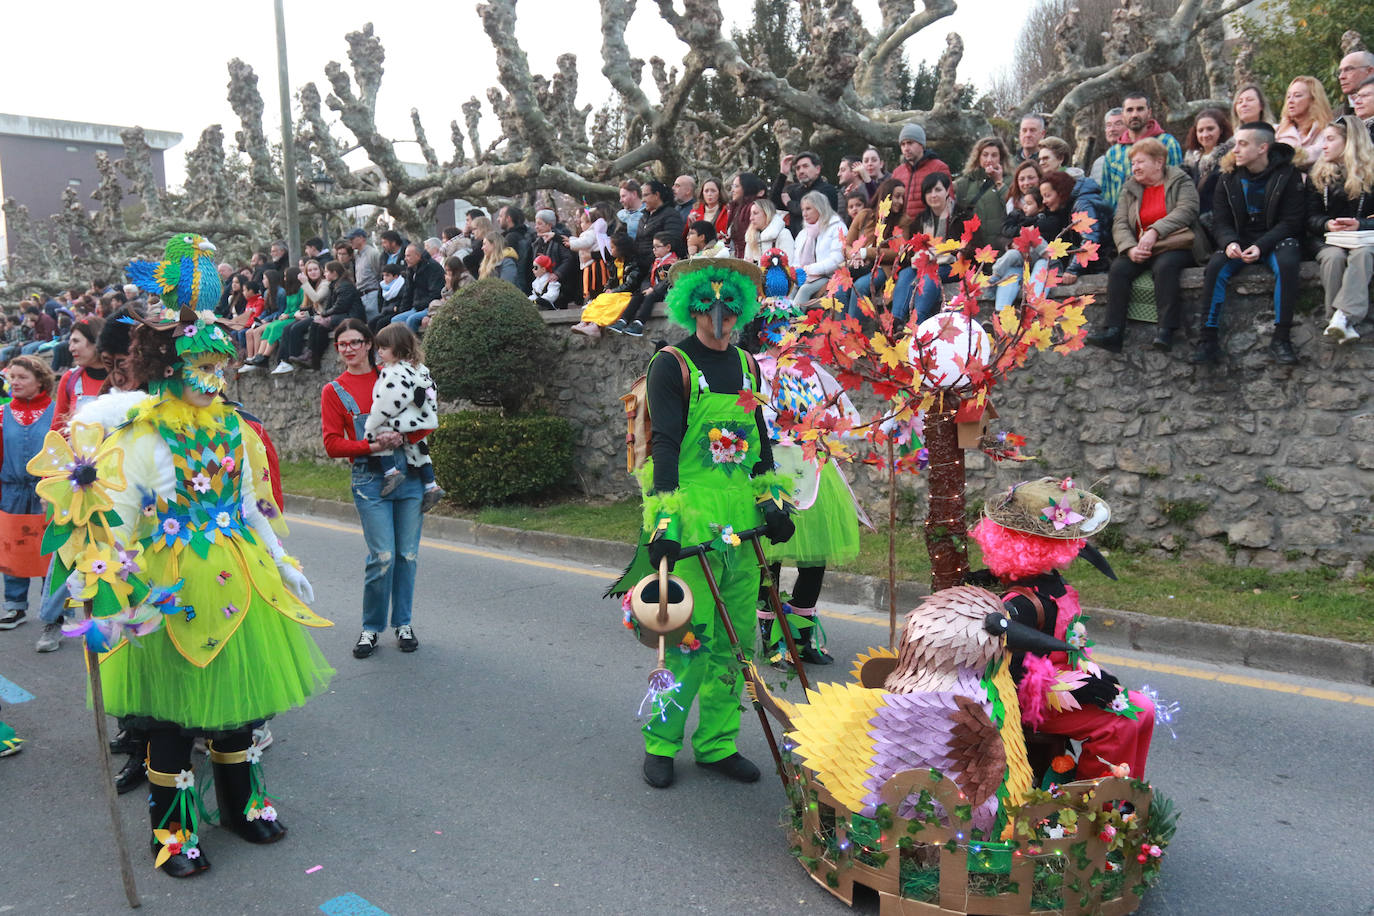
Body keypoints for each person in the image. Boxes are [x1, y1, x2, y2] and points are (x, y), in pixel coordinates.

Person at [66, 304, 330, 877]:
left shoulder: (236, 430)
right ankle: (174, 833)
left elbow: (250, 505)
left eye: (220, 366)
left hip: (238, 580)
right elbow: (117, 518)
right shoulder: (140, 437)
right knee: (170, 723)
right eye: (199, 368)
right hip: (168, 588)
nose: (213, 380)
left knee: (239, 710)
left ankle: (242, 807)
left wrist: (282, 560)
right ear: (166, 370)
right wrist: (102, 578)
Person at [610, 258, 793, 789]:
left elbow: (758, 442)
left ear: (743, 307)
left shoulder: (749, 366)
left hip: (740, 521)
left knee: (737, 644)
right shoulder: (672, 364)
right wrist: (664, 523)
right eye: (709, 306)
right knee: (688, 638)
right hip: (692, 518)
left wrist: (771, 500)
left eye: (730, 305)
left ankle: (717, 742)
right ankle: (662, 742)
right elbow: (665, 445)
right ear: (692, 308)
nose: (720, 316)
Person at [969, 478, 1154, 783]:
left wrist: (1091, 674)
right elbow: (1012, 678)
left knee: (1144, 709)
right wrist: (1081, 689)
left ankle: (1124, 796)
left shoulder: (1054, 584)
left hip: (1064, 682)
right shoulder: (1021, 604)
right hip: (1033, 700)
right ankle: (1090, 804)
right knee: (1118, 724)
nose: (1075, 543)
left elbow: (1070, 643)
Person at [751, 301, 867, 667]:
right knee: (770, 559)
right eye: (779, 327)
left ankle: (801, 635)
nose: (788, 335)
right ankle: (772, 639)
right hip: (772, 468)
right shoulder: (755, 370)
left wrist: (828, 425)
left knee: (814, 559)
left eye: (793, 327)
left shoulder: (813, 372)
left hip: (812, 467)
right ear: (761, 332)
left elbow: (846, 413)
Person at [321, 319, 427, 659]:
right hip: (369, 480)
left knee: (406, 555)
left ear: (370, 344)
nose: (349, 349)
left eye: (355, 342)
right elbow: (333, 444)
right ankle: (371, 628)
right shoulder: (334, 391)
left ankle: (404, 623)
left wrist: (405, 437)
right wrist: (372, 445)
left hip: (409, 474)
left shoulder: (394, 376)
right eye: (342, 344)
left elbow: (424, 419)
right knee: (382, 557)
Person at [1194, 122, 1306, 365]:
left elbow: (1292, 222)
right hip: (1240, 238)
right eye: (1235, 144)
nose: (1235, 150)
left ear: (1262, 148)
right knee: (1215, 266)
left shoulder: (1288, 175)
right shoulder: (1227, 177)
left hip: (1277, 238)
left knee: (1288, 263)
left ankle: (1281, 338)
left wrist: (1262, 246)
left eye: (1243, 144)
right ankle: (1208, 340)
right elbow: (1219, 220)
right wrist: (1229, 242)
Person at [1086, 137, 1207, 353]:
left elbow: (1187, 210)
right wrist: (1130, 248)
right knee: (1119, 269)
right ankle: (1113, 331)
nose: (1135, 167)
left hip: (1176, 243)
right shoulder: (1130, 188)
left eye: (1140, 162)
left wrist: (1154, 231)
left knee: (1165, 267)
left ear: (1159, 162)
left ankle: (1166, 331)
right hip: (1140, 246)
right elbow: (1120, 222)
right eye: (1133, 163)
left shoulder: (1181, 180)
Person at [0, 356, 56, 629]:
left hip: (47, 493)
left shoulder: (57, 412)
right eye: (12, 377)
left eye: (22, 377)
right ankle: (15, 607)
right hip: (11, 492)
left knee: (49, 552)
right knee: (13, 550)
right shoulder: (1, 414)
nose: (15, 382)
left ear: (40, 379)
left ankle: (52, 612)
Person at [1308, 115, 1374, 342]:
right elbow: (1309, 216)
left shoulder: (1371, 173)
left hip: (1363, 239)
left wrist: (1360, 224)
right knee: (1334, 257)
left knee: (1364, 254)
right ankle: (1342, 319)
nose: (1323, 145)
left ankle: (1340, 318)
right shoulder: (1318, 174)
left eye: (1330, 139)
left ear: (1349, 142)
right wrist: (1327, 224)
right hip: (1327, 239)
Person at [366, 325, 444, 512]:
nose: (380, 352)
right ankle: (431, 485)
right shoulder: (419, 368)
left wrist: (371, 425)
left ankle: (391, 472)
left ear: (398, 349)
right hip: (420, 420)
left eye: (384, 348)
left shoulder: (395, 372)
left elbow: (387, 403)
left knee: (380, 433)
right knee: (420, 450)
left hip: (403, 421)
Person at [990, 171, 1078, 310]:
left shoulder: (1052, 214)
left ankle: (1033, 306)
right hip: (1023, 259)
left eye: (1031, 177)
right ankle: (1001, 312)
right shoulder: (1016, 214)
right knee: (1011, 270)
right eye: (1022, 179)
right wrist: (1012, 242)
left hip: (1046, 259)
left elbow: (1048, 234)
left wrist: (1030, 234)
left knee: (1043, 265)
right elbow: (1000, 235)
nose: (1026, 182)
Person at [1036, 136, 1110, 276]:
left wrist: (1073, 270)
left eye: (1046, 158)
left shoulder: (1082, 204)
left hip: (1098, 267)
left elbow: (1090, 240)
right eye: (1039, 159)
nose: (1041, 163)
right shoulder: (1072, 200)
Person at [1100, 91, 1184, 209]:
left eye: (1140, 109)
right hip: (1121, 222)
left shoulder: (1167, 143)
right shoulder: (1113, 153)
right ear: (1123, 115)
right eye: (1129, 110)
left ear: (1149, 112)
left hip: (1160, 220)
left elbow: (1178, 188)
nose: (1134, 114)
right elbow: (1107, 195)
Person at [845, 178, 912, 319]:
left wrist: (864, 253)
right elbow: (846, 245)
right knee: (839, 288)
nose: (900, 201)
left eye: (902, 197)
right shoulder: (865, 215)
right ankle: (840, 333)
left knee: (861, 286)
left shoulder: (903, 221)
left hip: (884, 268)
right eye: (897, 196)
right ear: (886, 196)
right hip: (859, 265)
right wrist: (854, 256)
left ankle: (852, 334)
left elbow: (898, 252)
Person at [571, 232, 642, 338]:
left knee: (610, 304)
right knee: (599, 300)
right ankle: (586, 322)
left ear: (621, 249)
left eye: (612, 247)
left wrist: (614, 291)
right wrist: (608, 288)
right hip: (616, 293)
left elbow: (630, 284)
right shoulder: (615, 262)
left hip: (627, 294)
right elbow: (612, 279)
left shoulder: (634, 264)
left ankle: (596, 326)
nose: (610, 249)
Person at [608, 232, 679, 336]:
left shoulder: (672, 263)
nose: (654, 250)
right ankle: (623, 320)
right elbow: (647, 277)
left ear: (668, 247)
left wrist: (653, 289)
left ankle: (639, 323)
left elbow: (668, 281)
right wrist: (647, 287)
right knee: (637, 295)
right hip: (653, 290)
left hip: (665, 292)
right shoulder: (657, 261)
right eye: (653, 247)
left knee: (650, 297)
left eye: (657, 247)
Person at [50, 317, 106, 436]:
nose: (71, 348)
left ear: (96, 341)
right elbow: (57, 430)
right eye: (70, 343)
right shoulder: (70, 379)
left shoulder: (124, 379)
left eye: (76, 341)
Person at [953, 137, 1011, 253]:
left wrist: (999, 181)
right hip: (974, 247)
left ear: (1001, 158)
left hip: (1000, 247)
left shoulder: (1009, 180)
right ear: (978, 157)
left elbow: (1012, 207)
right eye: (985, 155)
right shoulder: (966, 182)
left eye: (994, 155)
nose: (989, 159)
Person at [240, 267, 303, 373]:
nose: (284, 278)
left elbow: (299, 308)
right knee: (268, 327)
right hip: (285, 317)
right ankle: (259, 356)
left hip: (294, 317)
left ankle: (265, 356)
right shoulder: (285, 291)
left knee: (273, 327)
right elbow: (283, 308)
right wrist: (263, 318)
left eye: (264, 278)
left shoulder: (285, 292)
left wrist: (286, 315)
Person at [791, 190, 847, 304]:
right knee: (789, 289)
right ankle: (779, 319)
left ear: (820, 208)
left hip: (830, 276)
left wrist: (810, 269)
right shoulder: (803, 233)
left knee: (804, 290)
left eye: (808, 209)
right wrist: (796, 271)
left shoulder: (837, 227)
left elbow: (837, 260)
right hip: (806, 275)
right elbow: (795, 260)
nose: (804, 214)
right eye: (802, 210)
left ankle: (795, 319)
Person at [1183, 108, 1235, 224]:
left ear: (1221, 129)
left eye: (1210, 129)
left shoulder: (1231, 157)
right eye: (1200, 130)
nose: (1205, 134)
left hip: (1222, 222)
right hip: (1196, 222)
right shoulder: (1190, 161)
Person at [891, 123, 951, 221]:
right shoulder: (897, 172)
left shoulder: (939, 167)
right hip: (902, 230)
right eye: (903, 144)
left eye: (910, 143)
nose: (906, 148)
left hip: (927, 229)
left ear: (921, 145)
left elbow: (948, 202)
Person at [771, 151, 839, 231]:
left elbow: (815, 210)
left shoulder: (827, 190)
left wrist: (789, 203)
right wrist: (783, 174)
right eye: (798, 168)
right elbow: (773, 203)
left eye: (805, 166)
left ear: (817, 169)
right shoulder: (794, 191)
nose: (801, 171)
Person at [1276, 75, 1334, 168]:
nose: (1290, 101)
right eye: (1288, 96)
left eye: (1297, 96)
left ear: (1313, 100)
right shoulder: (1277, 131)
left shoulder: (1327, 130)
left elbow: (1319, 152)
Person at [565, 205, 612, 302]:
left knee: (594, 283)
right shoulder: (594, 233)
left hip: (594, 265)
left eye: (582, 222)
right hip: (592, 263)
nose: (580, 224)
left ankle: (594, 299)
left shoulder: (590, 233)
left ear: (590, 223)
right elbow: (581, 240)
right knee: (592, 283)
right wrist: (571, 240)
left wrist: (570, 244)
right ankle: (593, 299)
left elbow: (585, 242)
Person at [637, 179, 687, 269]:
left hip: (659, 268)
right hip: (640, 267)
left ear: (656, 195)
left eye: (646, 195)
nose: (643, 200)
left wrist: (647, 262)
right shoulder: (643, 217)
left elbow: (672, 242)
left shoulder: (671, 215)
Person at [395, 243, 447, 330]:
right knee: (396, 319)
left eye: (408, 256)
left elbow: (435, 293)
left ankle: (412, 343)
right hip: (417, 307)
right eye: (405, 256)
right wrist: (402, 311)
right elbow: (408, 293)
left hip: (430, 306)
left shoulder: (432, 267)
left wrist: (419, 306)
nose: (405, 259)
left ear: (418, 256)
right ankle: (400, 343)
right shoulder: (411, 269)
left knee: (412, 319)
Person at [531, 209, 576, 307]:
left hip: (558, 282)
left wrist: (557, 273)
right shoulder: (536, 243)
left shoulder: (559, 240)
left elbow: (568, 259)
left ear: (549, 225)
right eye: (536, 224)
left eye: (540, 224)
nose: (536, 227)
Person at [725, 173, 769, 257]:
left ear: (747, 188)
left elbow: (749, 239)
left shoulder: (754, 208)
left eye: (736, 186)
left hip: (750, 259)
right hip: (738, 257)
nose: (732, 190)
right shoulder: (736, 208)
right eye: (732, 186)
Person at [742, 197, 795, 265]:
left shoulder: (783, 234)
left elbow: (787, 265)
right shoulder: (751, 237)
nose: (751, 218)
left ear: (767, 214)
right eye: (750, 214)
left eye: (755, 213)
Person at [497, 205, 533, 293]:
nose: (498, 219)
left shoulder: (511, 238)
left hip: (516, 285)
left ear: (508, 218)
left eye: (501, 216)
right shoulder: (526, 234)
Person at [348, 229, 382, 320]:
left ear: (361, 238)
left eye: (352, 238)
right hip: (361, 295)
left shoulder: (372, 253)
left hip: (372, 293)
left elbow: (379, 273)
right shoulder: (356, 255)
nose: (350, 241)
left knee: (374, 325)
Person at [1089, 108, 1125, 184]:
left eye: (1118, 124)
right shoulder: (1099, 162)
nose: (1112, 129)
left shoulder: (1135, 157)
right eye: (1108, 125)